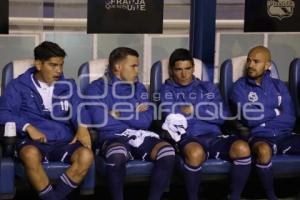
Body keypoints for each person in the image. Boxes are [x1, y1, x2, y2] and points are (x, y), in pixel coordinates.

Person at [0, 41, 94, 200]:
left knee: (86, 156)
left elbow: (80, 109)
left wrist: (82, 126)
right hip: (33, 142)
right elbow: (3, 113)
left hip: (63, 141)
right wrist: (28, 127)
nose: (59, 70)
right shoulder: (18, 86)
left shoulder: (68, 85)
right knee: (30, 154)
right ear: (38, 64)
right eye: (53, 65)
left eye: (61, 65)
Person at [159, 48, 251, 200]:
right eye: (179, 69)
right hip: (189, 137)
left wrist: (193, 110)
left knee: (242, 148)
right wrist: (207, 109)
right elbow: (173, 117)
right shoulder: (166, 90)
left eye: (188, 68)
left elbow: (222, 116)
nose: (184, 74)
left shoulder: (208, 87)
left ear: (193, 68)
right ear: (171, 70)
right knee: (195, 153)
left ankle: (234, 196)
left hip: (214, 136)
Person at [85, 47, 175, 200]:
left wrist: (117, 112)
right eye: (133, 66)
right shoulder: (95, 88)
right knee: (117, 154)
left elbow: (146, 121)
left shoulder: (139, 88)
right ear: (118, 67)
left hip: (141, 135)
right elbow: (101, 121)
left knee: (167, 152)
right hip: (112, 137)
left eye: (137, 66)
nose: (137, 70)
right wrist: (134, 112)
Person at [229, 45, 300, 200]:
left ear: (267, 65)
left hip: (284, 136)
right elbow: (249, 117)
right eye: (249, 61)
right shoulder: (239, 87)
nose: (250, 65)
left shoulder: (278, 86)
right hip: (258, 136)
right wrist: (275, 112)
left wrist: (262, 118)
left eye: (256, 62)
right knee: (263, 150)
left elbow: (290, 118)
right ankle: (271, 196)